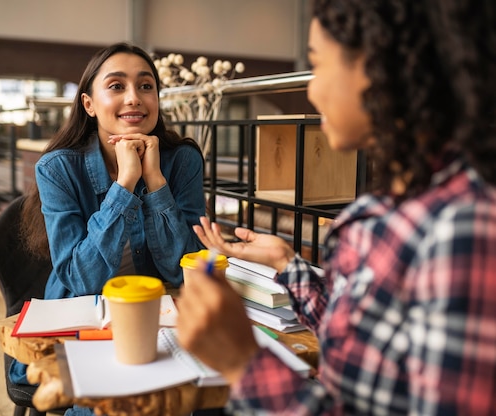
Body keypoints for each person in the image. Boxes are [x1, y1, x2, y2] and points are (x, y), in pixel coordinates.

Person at [176, 1, 496, 415]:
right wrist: (286, 262)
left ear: (380, 64)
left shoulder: (465, 230)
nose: (311, 89)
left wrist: (245, 363)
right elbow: (368, 341)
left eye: (319, 64)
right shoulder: (397, 208)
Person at [10, 42, 206, 413]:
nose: (134, 98)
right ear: (89, 104)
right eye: (117, 86)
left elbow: (184, 270)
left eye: (146, 86)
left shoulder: (182, 160)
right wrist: (125, 185)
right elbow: (81, 279)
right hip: (83, 317)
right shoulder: (57, 169)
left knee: (205, 394)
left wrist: (156, 182)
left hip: (160, 317)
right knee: (105, 404)